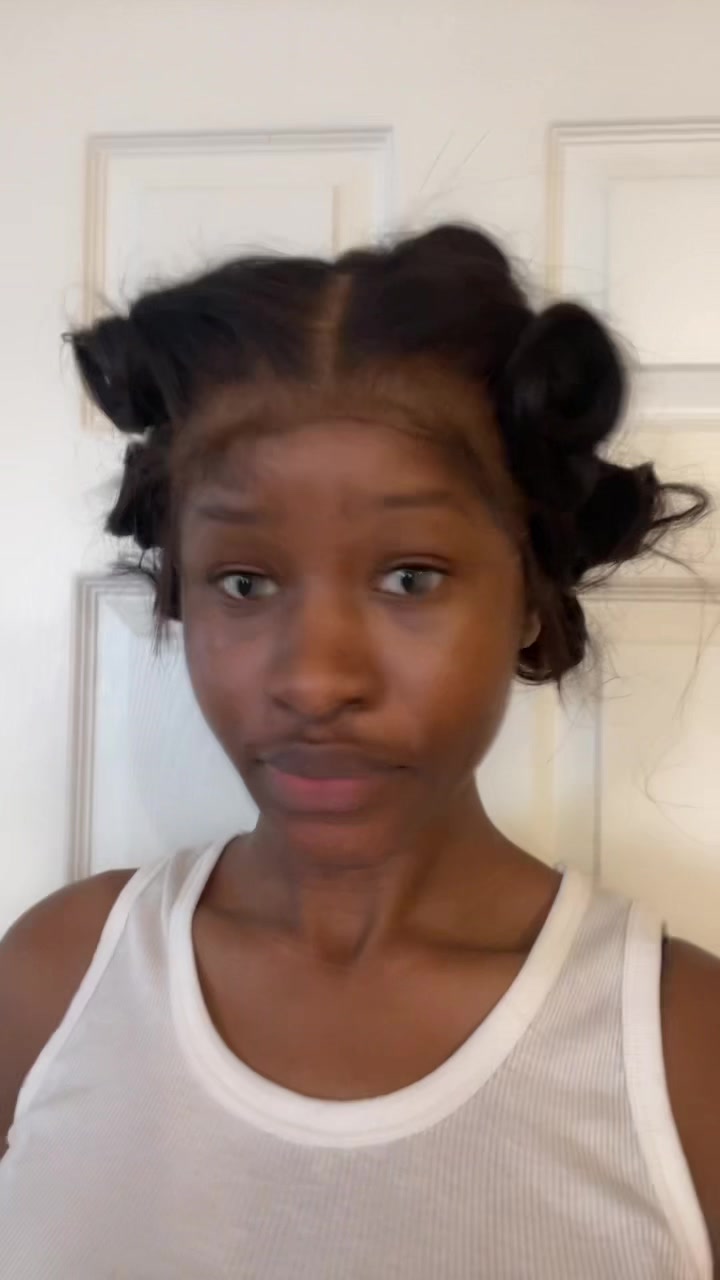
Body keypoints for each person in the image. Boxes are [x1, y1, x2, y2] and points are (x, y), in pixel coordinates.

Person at [0, 223, 718, 1279]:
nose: (315, 678)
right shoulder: (55, 983)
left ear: (529, 595)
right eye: (245, 582)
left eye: (410, 577)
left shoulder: (682, 1052)